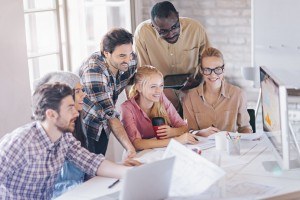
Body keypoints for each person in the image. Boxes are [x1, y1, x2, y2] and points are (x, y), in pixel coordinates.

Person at [0, 83, 140, 199]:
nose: (76, 113)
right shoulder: (20, 142)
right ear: (51, 114)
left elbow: (91, 162)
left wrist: (133, 174)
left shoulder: (64, 138)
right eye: (70, 108)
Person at [134, 1, 210, 114]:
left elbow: (208, 61)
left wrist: (198, 80)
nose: (171, 34)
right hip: (160, 91)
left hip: (193, 88)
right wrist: (159, 89)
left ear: (178, 17)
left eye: (175, 27)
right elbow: (143, 71)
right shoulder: (143, 33)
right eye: (163, 31)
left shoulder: (195, 28)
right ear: (153, 25)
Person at [79, 28, 137, 157]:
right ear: (106, 53)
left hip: (105, 124)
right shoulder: (93, 71)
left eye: (130, 54)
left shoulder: (130, 60)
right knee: (90, 171)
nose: (128, 60)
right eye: (122, 56)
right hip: (88, 125)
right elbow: (110, 115)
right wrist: (130, 148)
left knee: (100, 163)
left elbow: (132, 83)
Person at [33, 71, 88, 198]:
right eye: (78, 91)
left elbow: (88, 162)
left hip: (81, 192)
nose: (84, 95)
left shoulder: (76, 125)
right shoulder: (48, 136)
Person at [121, 66, 198, 150]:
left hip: (162, 151)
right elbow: (137, 143)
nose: (159, 91)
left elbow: (184, 127)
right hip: (141, 156)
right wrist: (176, 140)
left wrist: (172, 132)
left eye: (161, 85)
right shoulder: (127, 108)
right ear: (139, 87)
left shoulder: (161, 98)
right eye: (153, 86)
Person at [182, 47, 253, 137]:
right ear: (201, 70)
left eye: (218, 69)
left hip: (228, 147)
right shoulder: (190, 97)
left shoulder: (238, 94)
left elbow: (245, 128)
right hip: (202, 148)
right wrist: (200, 133)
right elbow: (188, 131)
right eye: (207, 70)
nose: (213, 75)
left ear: (223, 69)